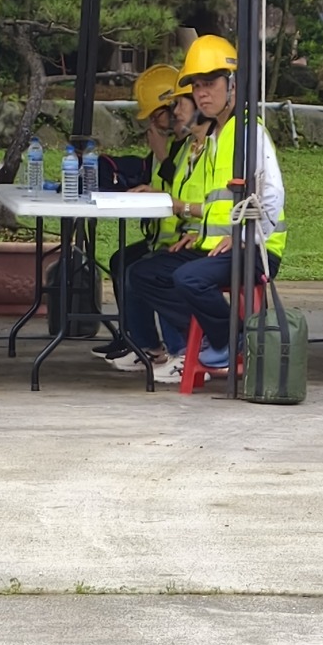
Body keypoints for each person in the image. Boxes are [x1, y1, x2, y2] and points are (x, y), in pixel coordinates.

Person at [126, 36, 287, 386]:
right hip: (214, 246)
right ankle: (212, 339)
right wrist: (196, 233)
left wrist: (242, 237)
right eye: (197, 86)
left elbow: (272, 196)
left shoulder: (248, 132)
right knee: (143, 272)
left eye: (210, 84)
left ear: (232, 85)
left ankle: (234, 338)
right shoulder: (214, 137)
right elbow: (220, 203)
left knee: (189, 278)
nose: (201, 94)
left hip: (255, 249)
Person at [95, 65, 191, 370]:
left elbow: (183, 187)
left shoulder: (187, 145)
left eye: (158, 113)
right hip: (165, 234)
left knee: (143, 270)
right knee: (121, 260)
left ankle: (169, 350)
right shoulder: (175, 144)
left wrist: (161, 155)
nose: (156, 121)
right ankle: (141, 342)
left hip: (186, 237)